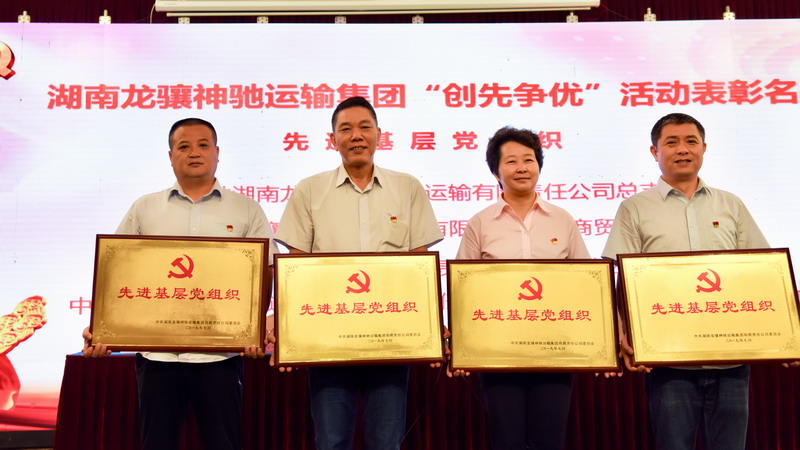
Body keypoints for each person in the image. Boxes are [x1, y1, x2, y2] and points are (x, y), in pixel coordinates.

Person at [82, 118, 277, 450]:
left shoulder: (245, 209)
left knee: (223, 443)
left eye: (203, 145)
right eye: (183, 146)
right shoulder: (145, 208)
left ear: (217, 153)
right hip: (158, 357)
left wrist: (256, 329)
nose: (194, 153)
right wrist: (103, 328)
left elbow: (265, 272)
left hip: (219, 357)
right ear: (170, 156)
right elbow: (118, 269)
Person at [274, 96, 443, 450]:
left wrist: (430, 328)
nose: (356, 136)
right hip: (328, 337)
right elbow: (297, 269)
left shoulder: (408, 187)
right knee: (331, 440)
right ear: (332, 139)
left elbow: (420, 266)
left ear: (379, 134)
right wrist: (289, 334)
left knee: (386, 441)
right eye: (346, 129)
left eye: (365, 127)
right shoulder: (309, 190)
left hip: (392, 335)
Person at [602, 113, 769, 450]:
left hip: (731, 357)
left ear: (704, 148)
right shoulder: (634, 208)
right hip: (668, 360)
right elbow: (620, 279)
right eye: (672, 142)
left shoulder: (731, 204)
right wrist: (619, 333)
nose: (683, 149)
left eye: (691, 141)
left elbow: (761, 271)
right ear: (655, 151)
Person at [455, 126, 590, 450]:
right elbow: (463, 288)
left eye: (529, 160)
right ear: (496, 171)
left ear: (539, 166)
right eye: (511, 161)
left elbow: (587, 281)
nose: (522, 168)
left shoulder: (562, 220)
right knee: (507, 440)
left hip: (555, 349)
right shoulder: (480, 223)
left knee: (550, 441)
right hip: (498, 351)